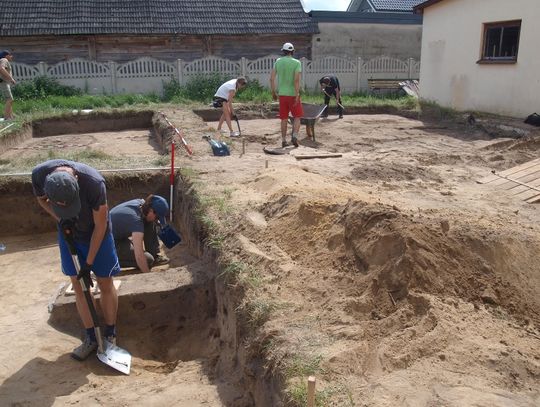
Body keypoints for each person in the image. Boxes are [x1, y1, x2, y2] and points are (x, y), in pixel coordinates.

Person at [31, 159, 121, 361]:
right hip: (69, 233)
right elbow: (41, 200)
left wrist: (88, 263)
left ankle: (110, 334)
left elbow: (100, 225)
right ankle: (90, 337)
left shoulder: (93, 183)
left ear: (77, 180)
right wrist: (61, 219)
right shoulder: (39, 175)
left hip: (97, 234)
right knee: (78, 285)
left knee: (105, 282)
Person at [110, 195, 170, 273]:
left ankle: (154, 255)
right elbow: (139, 255)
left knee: (149, 221)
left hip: (117, 237)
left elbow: (149, 219)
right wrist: (148, 275)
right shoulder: (136, 220)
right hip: (107, 244)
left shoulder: (141, 204)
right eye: (157, 217)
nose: (157, 220)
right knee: (148, 260)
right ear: (151, 210)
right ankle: (108, 261)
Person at [270, 42, 304, 148]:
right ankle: (294, 136)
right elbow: (296, 80)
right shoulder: (296, 62)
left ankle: (284, 140)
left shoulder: (278, 62)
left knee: (284, 118)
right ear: (293, 51)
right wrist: (297, 93)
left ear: (283, 51)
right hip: (293, 94)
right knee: (297, 117)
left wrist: (273, 92)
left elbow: (271, 78)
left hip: (282, 94)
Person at [0, 50, 16, 120]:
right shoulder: (4, 59)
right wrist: (11, 78)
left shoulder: (4, 60)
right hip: (3, 82)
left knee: (9, 99)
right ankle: (7, 118)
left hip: (5, 82)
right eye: (10, 55)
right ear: (6, 55)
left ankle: (11, 116)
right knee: (9, 99)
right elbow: (1, 69)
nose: (11, 56)